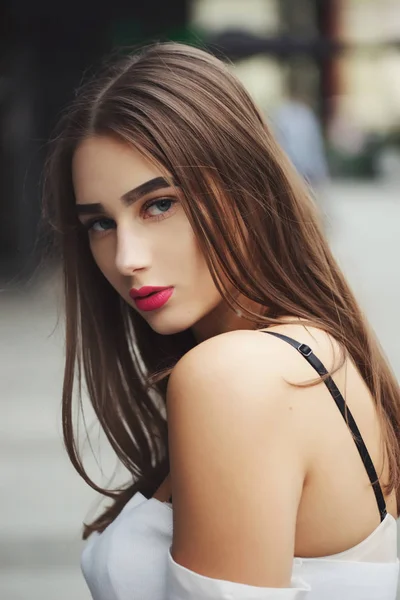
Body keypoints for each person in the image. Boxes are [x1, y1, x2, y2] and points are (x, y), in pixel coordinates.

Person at [43, 42, 399, 599]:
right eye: (100, 223)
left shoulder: (236, 376)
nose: (126, 257)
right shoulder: (314, 351)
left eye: (158, 204)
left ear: (246, 188)